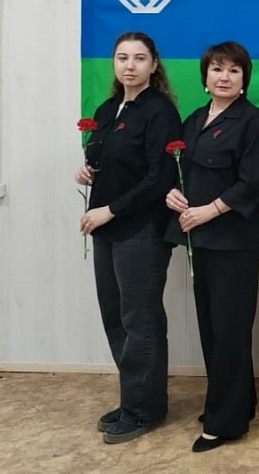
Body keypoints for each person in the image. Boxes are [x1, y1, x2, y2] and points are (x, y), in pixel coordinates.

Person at [163, 41, 259, 453]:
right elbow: (178, 170)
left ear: (244, 80)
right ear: (205, 77)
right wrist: (173, 194)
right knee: (212, 327)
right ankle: (238, 403)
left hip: (234, 241)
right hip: (200, 239)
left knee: (229, 329)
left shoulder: (252, 121)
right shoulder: (194, 119)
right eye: (216, 70)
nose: (224, 77)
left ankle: (225, 423)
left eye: (233, 71)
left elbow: (253, 181)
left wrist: (210, 210)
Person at [77, 32, 182, 444]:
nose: (130, 65)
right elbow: (106, 161)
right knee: (115, 316)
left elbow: (160, 178)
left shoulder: (160, 112)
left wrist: (110, 209)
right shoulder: (107, 109)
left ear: (154, 65)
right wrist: (86, 171)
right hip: (107, 230)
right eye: (122, 57)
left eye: (139, 58)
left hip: (142, 230)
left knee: (141, 320)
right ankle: (133, 398)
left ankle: (144, 410)